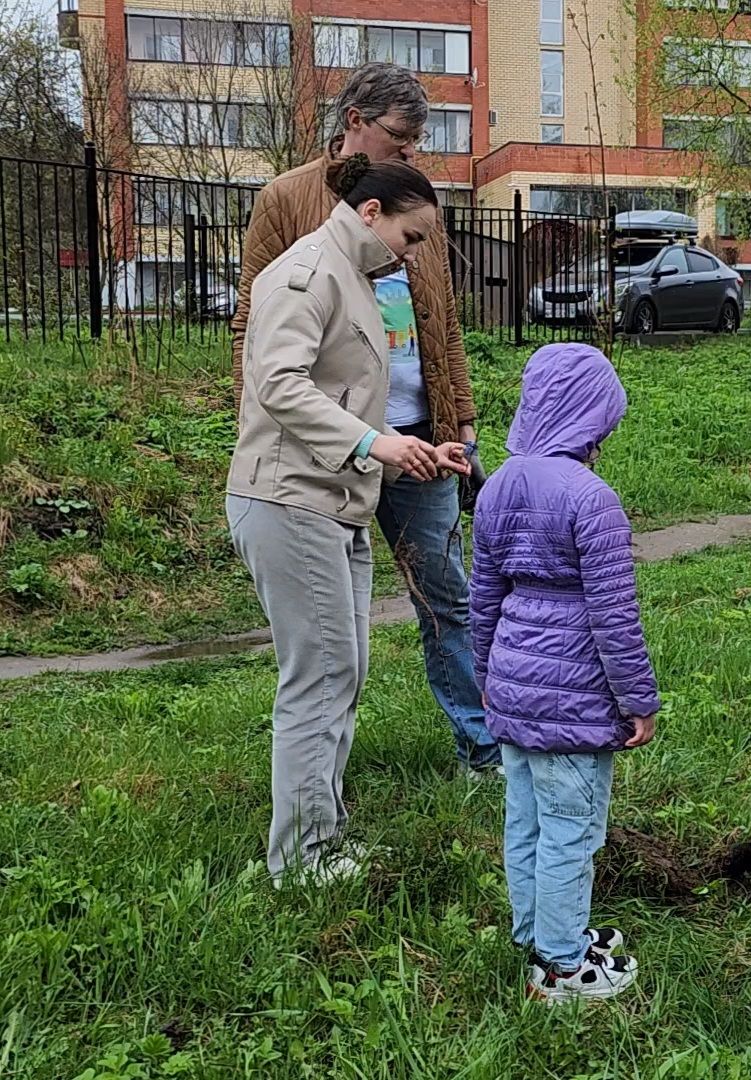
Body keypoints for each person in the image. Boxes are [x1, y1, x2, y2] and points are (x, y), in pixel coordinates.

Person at [232, 63, 500, 778]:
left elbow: (443, 328)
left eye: (418, 141)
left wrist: (461, 419)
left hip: (418, 437)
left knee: (448, 596)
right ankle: (318, 776)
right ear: (355, 120)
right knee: (328, 631)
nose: (411, 152)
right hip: (324, 448)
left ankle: (482, 747)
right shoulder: (288, 199)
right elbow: (252, 332)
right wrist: (260, 429)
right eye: (400, 137)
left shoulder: (417, 205)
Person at [227, 156, 471, 885]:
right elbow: (276, 383)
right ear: (370, 213)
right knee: (321, 677)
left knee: (344, 672)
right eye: (412, 233)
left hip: (335, 502)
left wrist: (410, 451)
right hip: (290, 502)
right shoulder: (310, 273)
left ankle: (321, 838)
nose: (415, 250)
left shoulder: (351, 273)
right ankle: (300, 861)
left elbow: (349, 398)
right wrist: (373, 444)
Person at [470, 342, 660, 1003]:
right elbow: (614, 617)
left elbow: (482, 596)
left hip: (513, 685)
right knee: (570, 831)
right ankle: (561, 964)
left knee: (524, 820)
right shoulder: (592, 499)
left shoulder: (497, 484)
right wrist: (637, 699)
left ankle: (536, 932)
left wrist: (486, 677)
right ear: (590, 419)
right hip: (573, 697)